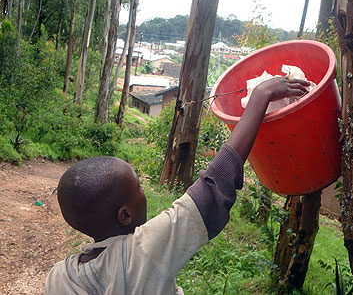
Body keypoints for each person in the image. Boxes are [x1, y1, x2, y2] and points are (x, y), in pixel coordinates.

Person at [44, 77, 310, 295]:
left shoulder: (57, 278)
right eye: (138, 187)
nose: (143, 191)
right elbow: (212, 189)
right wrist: (260, 95)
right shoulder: (143, 252)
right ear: (125, 215)